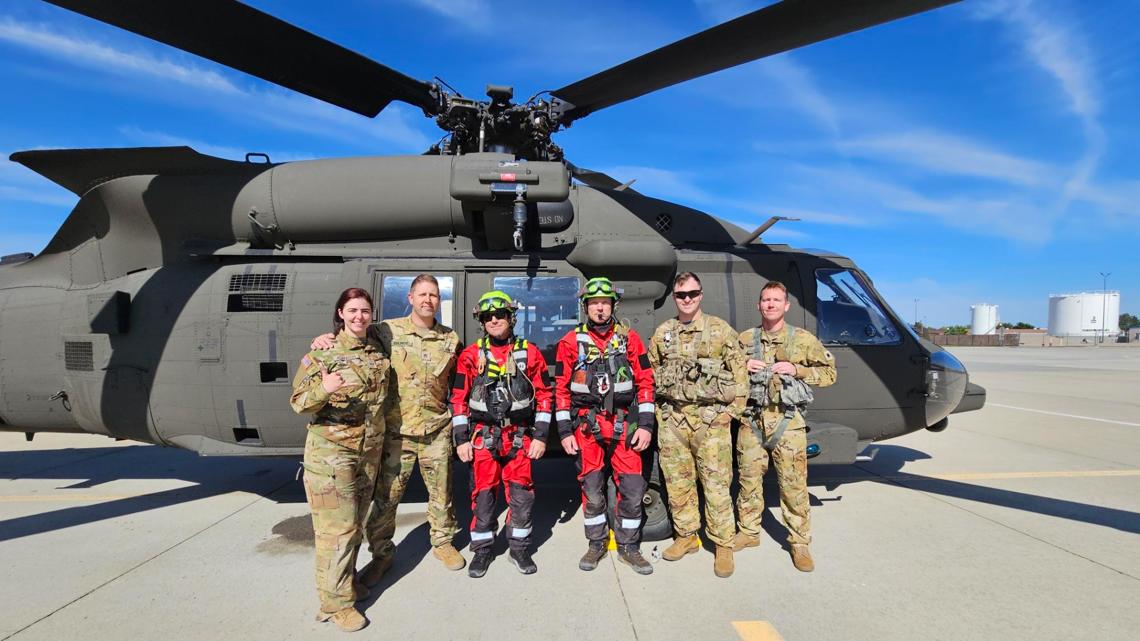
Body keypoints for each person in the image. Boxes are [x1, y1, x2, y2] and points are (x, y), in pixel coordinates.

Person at [311, 274, 464, 589]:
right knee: (386, 498)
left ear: (439, 300)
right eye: (422, 294)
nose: (428, 300)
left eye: (433, 295)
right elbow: (353, 337)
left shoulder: (450, 339)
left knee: (442, 493)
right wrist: (325, 338)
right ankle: (382, 555)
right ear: (410, 298)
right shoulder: (386, 331)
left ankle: (443, 542)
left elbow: (457, 378)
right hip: (397, 433)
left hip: (436, 430)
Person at [291, 288, 390, 632]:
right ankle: (335, 605)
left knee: (355, 524)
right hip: (331, 456)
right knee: (336, 530)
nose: (359, 316)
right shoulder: (322, 353)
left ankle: (344, 584)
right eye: (352, 310)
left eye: (365, 311)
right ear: (340, 313)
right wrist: (325, 388)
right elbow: (299, 402)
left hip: (366, 453)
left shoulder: (376, 350)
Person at [648, 272, 747, 578]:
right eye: (681, 295)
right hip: (674, 422)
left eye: (692, 293)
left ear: (701, 295)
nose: (687, 299)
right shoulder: (663, 333)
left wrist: (729, 414)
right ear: (674, 298)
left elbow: (741, 376)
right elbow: (651, 374)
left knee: (716, 486)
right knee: (678, 485)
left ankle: (723, 544)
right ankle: (686, 536)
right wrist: (660, 414)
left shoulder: (720, 330)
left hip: (711, 423)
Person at [554, 277, 655, 575]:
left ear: (613, 306)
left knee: (633, 488)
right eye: (594, 303)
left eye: (605, 303)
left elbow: (645, 382)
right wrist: (565, 431)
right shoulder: (570, 343)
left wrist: (646, 425)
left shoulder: (630, 339)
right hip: (587, 427)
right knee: (592, 488)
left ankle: (629, 547)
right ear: (585, 307)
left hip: (625, 424)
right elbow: (561, 390)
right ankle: (596, 542)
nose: (600, 308)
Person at [735, 281, 836, 572]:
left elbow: (830, 373)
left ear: (786, 305)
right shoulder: (745, 339)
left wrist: (797, 369)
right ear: (758, 305)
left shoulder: (802, 340)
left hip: (788, 422)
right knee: (748, 480)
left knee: (793, 486)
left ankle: (799, 542)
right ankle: (749, 531)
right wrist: (743, 366)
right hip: (752, 420)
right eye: (766, 300)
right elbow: (726, 371)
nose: (770, 304)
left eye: (776, 300)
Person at [450, 290, 552, 577]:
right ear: (482, 322)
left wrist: (541, 436)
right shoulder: (471, 356)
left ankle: (519, 549)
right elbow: (458, 399)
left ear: (511, 317)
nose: (494, 320)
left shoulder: (530, 353)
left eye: (500, 315)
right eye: (488, 317)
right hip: (483, 437)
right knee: (483, 495)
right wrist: (461, 440)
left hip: (518, 436)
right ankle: (482, 550)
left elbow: (545, 395)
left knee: (521, 495)